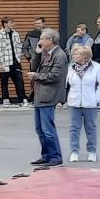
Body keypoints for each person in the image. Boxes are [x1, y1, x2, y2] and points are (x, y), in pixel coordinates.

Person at [30, 28, 66, 167]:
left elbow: (55, 76)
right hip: (39, 95)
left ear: (50, 40)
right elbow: (34, 66)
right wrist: (37, 54)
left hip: (49, 95)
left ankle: (56, 156)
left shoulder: (59, 55)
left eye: (43, 39)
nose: (40, 42)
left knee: (47, 129)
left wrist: (36, 76)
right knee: (39, 129)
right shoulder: (45, 53)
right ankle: (46, 155)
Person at [66, 44, 100, 162]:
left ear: (85, 56)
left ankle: (92, 152)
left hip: (90, 103)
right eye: (74, 54)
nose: (74, 56)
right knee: (74, 128)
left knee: (91, 128)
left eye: (76, 54)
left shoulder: (96, 67)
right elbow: (67, 84)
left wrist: (96, 99)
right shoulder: (71, 67)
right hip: (74, 102)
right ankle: (74, 152)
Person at [0, 17, 27, 106]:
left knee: (19, 81)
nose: (13, 24)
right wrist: (0, 64)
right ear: (5, 24)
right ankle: (5, 99)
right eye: (11, 23)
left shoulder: (15, 34)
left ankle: (22, 99)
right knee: (4, 82)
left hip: (15, 62)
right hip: (5, 63)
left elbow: (19, 46)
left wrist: (19, 58)